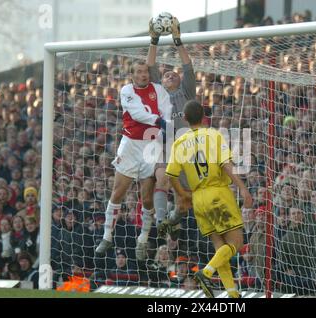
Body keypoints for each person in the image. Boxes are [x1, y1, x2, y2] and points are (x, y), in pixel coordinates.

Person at [165, 100, 253, 298]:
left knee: (219, 247)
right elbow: (225, 165)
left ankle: (233, 294)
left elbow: (170, 175)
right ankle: (206, 272)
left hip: (198, 198)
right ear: (204, 116)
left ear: (185, 119)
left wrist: (183, 195)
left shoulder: (179, 141)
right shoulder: (213, 135)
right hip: (217, 193)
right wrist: (244, 189)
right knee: (236, 243)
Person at [95, 59, 173, 255]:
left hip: (151, 145)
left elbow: (167, 112)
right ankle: (107, 236)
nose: (143, 75)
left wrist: (165, 129)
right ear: (132, 75)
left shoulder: (159, 90)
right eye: (138, 71)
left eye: (145, 71)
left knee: (147, 197)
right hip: (130, 145)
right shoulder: (126, 91)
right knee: (118, 191)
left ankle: (143, 238)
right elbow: (138, 113)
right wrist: (158, 121)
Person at [137, 16, 196, 258]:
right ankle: (161, 222)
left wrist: (178, 41)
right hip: (163, 144)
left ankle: (173, 218)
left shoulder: (187, 92)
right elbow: (151, 67)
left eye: (173, 74)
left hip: (187, 147)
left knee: (187, 198)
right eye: (166, 75)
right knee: (161, 177)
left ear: (180, 80)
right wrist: (154, 40)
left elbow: (188, 65)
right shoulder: (157, 94)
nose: (169, 75)